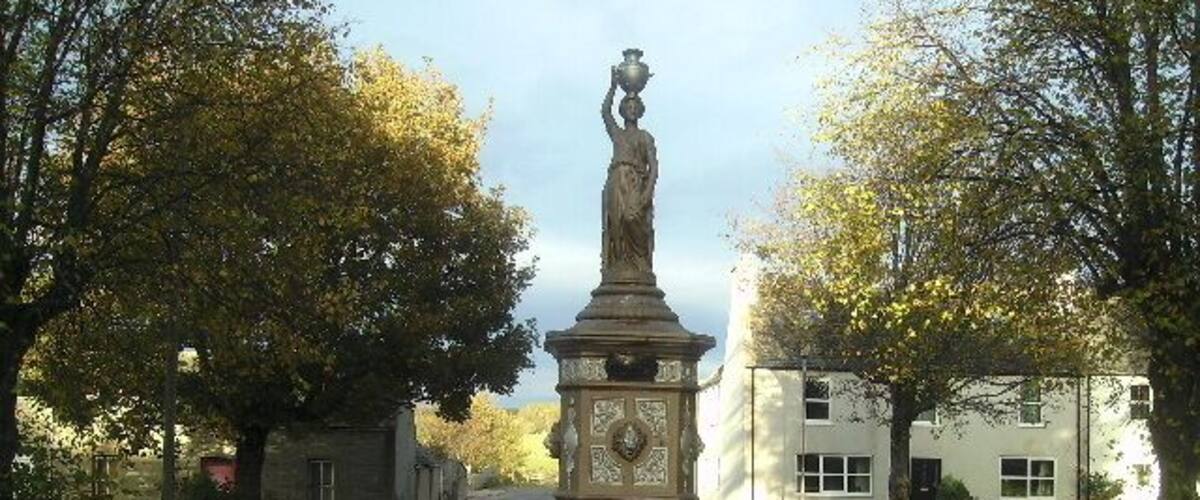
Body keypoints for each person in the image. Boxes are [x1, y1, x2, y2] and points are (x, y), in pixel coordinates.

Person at [601, 66, 658, 278]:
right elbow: (605, 112)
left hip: (635, 182)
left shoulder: (645, 137)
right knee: (616, 224)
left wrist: (646, 194)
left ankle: (640, 263)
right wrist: (613, 87)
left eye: (635, 106)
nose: (632, 109)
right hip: (616, 181)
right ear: (623, 110)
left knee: (632, 218)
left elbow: (654, 168)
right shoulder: (617, 133)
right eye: (628, 105)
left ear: (640, 110)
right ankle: (619, 266)